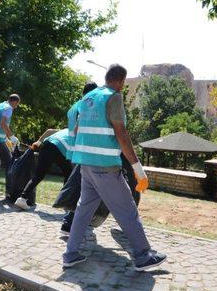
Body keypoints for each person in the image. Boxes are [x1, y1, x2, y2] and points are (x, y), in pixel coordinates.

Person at [63, 64, 166, 272]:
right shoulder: (113, 96)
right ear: (120, 81)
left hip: (86, 164)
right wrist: (138, 168)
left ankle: (70, 254)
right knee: (127, 208)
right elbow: (121, 133)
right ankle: (143, 255)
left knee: (84, 209)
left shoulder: (88, 98)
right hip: (105, 166)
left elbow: (76, 128)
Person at [14, 82, 99, 233]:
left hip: (48, 144)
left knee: (40, 174)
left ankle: (22, 198)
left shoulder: (73, 111)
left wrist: (39, 141)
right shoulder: (88, 107)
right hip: (65, 149)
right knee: (71, 176)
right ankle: (68, 208)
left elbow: (50, 130)